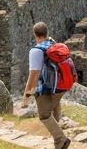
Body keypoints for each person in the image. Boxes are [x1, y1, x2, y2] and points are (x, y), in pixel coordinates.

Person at [22, 21, 71, 149]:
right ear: (46, 33)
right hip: (60, 86)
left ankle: (61, 140)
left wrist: (27, 94)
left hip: (45, 88)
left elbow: (33, 74)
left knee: (44, 115)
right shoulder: (54, 44)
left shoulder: (36, 50)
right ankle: (57, 141)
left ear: (35, 35)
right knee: (54, 109)